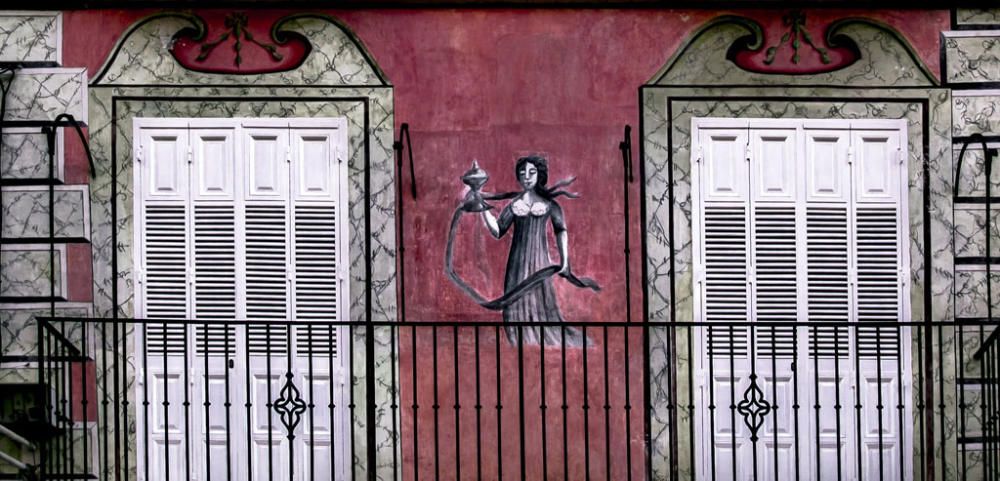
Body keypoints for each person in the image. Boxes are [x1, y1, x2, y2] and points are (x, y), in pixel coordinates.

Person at [480, 155, 592, 346]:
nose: (527, 176)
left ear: (540, 175)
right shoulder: (514, 205)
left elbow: (560, 231)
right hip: (517, 263)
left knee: (540, 301)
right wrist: (482, 208)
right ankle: (519, 341)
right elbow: (498, 231)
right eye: (522, 172)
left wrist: (565, 262)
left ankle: (536, 342)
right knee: (516, 302)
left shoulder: (549, 205)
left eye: (532, 172)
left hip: (540, 262)